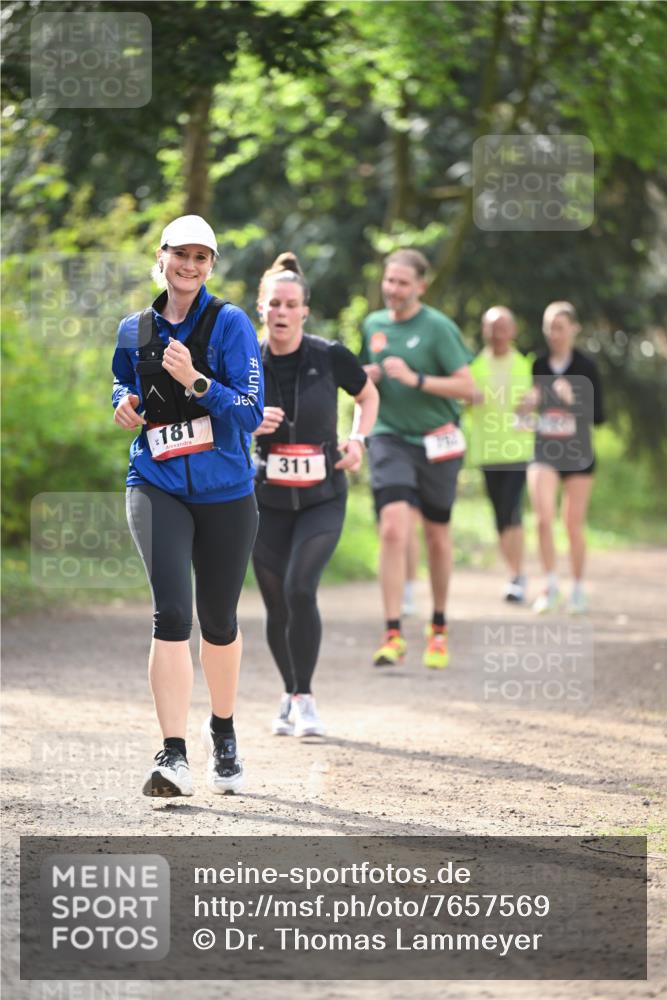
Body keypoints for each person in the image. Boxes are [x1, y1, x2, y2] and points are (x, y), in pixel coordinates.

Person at [112, 214, 263, 797]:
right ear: (162, 255)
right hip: (155, 483)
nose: (191, 266)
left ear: (211, 267)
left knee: (219, 623)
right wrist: (123, 402)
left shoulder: (230, 324)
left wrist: (198, 381)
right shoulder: (135, 328)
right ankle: (172, 753)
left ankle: (221, 731)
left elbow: (250, 412)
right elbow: (122, 384)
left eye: (203, 258)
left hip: (227, 492)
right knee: (173, 613)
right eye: (182, 254)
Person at [252, 253, 378, 737]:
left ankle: (305, 699)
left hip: (323, 495)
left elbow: (368, 396)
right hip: (265, 500)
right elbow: (212, 405)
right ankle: (289, 693)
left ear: (305, 310)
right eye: (274, 304)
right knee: (276, 605)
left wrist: (358, 440)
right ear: (261, 308)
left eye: (291, 304)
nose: (282, 312)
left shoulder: (330, 356)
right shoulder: (244, 361)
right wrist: (245, 421)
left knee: (299, 589)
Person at [359, 249, 474, 669]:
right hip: (390, 436)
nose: (393, 289)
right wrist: (365, 378)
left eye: (402, 283)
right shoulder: (373, 324)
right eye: (389, 280)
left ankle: (438, 628)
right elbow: (366, 380)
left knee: (437, 537)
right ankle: (392, 632)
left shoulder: (439, 328)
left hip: (438, 442)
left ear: (420, 286)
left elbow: (468, 389)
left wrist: (416, 379)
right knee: (392, 528)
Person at [523, 301, 605, 614]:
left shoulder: (587, 367)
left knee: (572, 524)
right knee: (543, 518)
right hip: (544, 449)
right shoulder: (538, 364)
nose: (553, 334)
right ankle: (549, 585)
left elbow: (599, 417)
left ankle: (579, 588)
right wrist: (527, 405)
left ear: (574, 329)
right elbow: (527, 410)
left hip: (578, 453)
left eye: (559, 327)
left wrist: (575, 401)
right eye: (548, 327)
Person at [465, 306, 534, 603]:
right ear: (484, 331)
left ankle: (517, 576)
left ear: (513, 331)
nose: (497, 333)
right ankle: (514, 572)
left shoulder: (525, 365)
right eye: (492, 327)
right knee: (500, 516)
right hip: (488, 451)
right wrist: (469, 397)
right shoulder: (474, 367)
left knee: (512, 510)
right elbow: (464, 405)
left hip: (518, 449)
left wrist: (536, 400)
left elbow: (543, 400)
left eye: (503, 326)